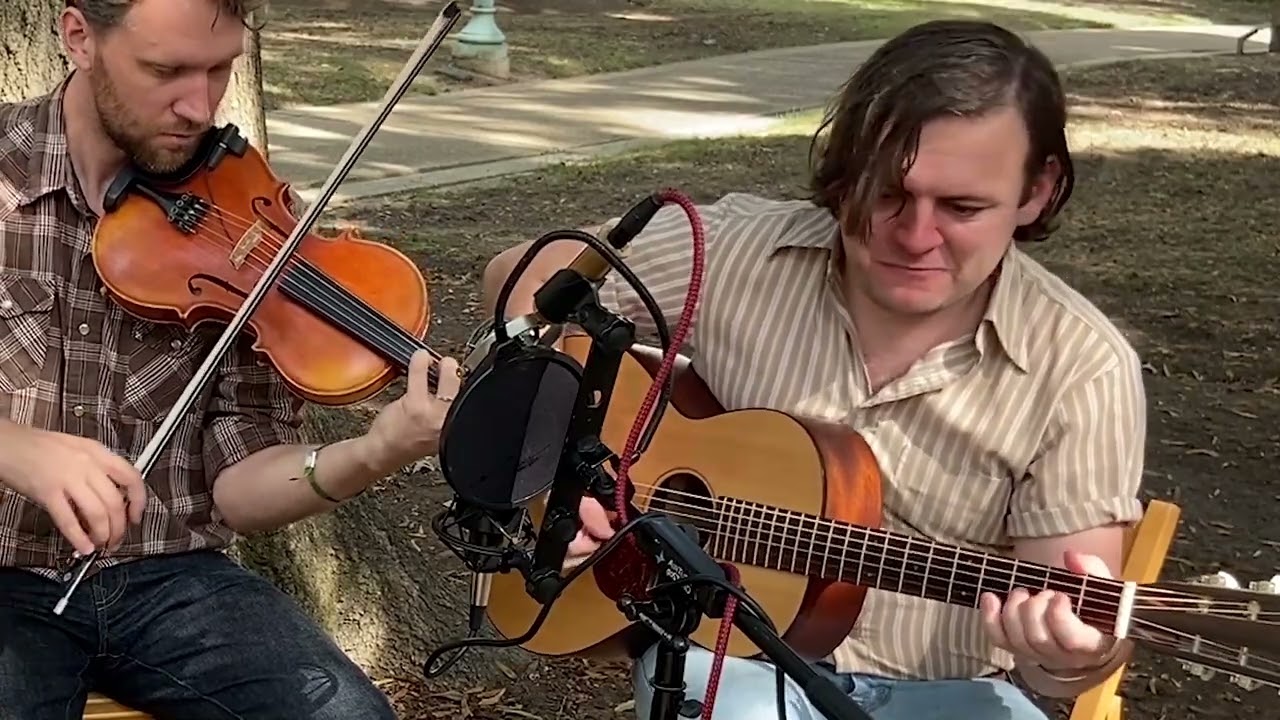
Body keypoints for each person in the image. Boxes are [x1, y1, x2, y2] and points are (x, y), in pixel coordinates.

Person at [481, 19, 1147, 720]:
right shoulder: (740, 252)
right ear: (844, 169)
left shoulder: (1083, 367)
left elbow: (1067, 645)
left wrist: (1072, 652)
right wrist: (575, 476)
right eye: (887, 193)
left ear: (1037, 191)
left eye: (962, 207)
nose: (916, 236)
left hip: (953, 695)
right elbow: (515, 284)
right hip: (732, 659)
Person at [0, 1, 460, 718]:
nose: (199, 105)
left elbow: (240, 487)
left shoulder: (250, 215)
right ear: (79, 37)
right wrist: (16, 449)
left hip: (166, 577)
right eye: (166, 70)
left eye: (221, 69)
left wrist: (378, 450)